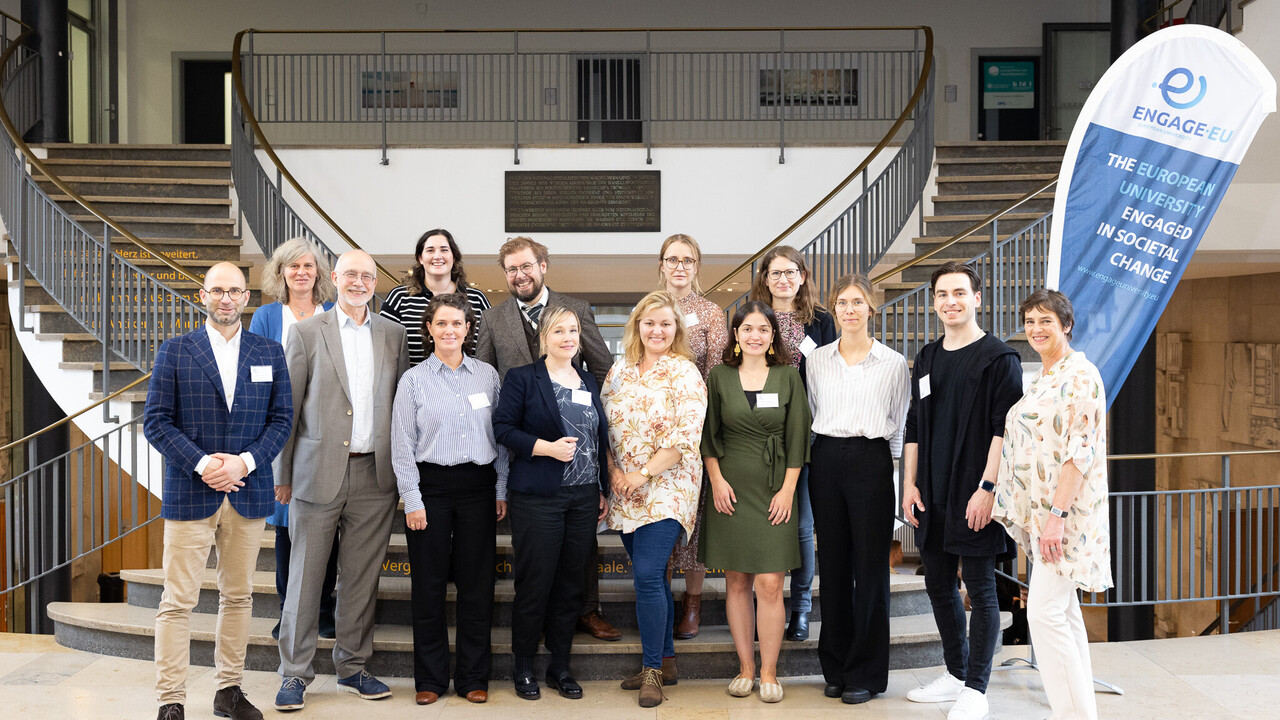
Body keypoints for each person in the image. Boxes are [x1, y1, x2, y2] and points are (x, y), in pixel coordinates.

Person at [144, 262, 293, 720]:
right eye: (217, 291)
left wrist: (244, 463)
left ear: (247, 297)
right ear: (203, 296)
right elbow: (156, 421)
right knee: (178, 600)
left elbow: (282, 420)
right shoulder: (176, 351)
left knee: (239, 596)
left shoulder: (268, 351)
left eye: (234, 291)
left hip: (248, 490)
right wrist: (206, 464)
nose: (226, 298)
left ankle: (229, 691)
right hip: (192, 491)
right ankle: (171, 699)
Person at [273, 250, 409, 712]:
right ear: (334, 278)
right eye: (350, 274)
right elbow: (287, 409)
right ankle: (294, 673)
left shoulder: (394, 333)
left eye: (367, 276)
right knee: (306, 580)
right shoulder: (308, 332)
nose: (359, 282)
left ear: (375, 284)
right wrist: (283, 474)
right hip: (317, 473)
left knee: (361, 580)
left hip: (376, 475)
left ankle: (352, 667)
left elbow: (402, 407)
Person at [476, 235, 621, 642]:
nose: (519, 275)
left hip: (577, 447)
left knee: (582, 544)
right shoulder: (494, 318)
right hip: (523, 448)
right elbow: (486, 375)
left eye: (526, 266)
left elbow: (603, 366)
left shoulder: (575, 309)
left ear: (543, 266)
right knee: (536, 551)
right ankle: (537, 618)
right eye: (512, 269)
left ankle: (587, 611)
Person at [901, 260, 1023, 720]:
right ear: (934, 303)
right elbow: (914, 426)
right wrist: (909, 484)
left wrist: (987, 488)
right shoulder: (927, 357)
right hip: (931, 490)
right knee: (936, 584)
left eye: (959, 293)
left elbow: (1003, 431)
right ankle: (954, 674)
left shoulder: (1000, 359)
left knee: (981, 588)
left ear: (977, 298)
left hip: (975, 489)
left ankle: (976, 687)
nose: (950, 302)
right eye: (941, 295)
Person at [992, 289, 1112, 720]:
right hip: (1045, 513)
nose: (1037, 329)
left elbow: (1080, 453)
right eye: (1030, 322)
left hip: (1066, 516)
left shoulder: (1080, 375)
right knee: (1064, 614)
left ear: (1066, 325)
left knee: (1043, 616)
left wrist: (1057, 518)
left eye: (1046, 321)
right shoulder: (1045, 375)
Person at [391, 293, 509, 706]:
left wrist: (500, 489)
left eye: (457, 324)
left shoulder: (487, 376)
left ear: (468, 329)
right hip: (431, 489)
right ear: (429, 329)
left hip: (479, 486)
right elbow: (401, 444)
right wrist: (412, 498)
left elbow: (501, 438)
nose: (449, 331)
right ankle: (430, 678)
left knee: (478, 586)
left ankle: (474, 677)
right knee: (428, 585)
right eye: (441, 324)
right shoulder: (414, 380)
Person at [493, 306, 611, 701]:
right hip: (538, 496)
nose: (567, 337)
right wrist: (544, 448)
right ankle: (523, 666)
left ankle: (560, 666)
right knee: (535, 583)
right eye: (558, 330)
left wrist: (600, 488)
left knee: (570, 586)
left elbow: (598, 438)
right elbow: (503, 428)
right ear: (544, 337)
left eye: (573, 330)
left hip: (582, 497)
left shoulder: (589, 381)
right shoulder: (522, 378)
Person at [804, 274, 910, 705]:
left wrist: (900, 480)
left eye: (857, 302)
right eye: (842, 302)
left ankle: (866, 673)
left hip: (872, 460)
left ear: (871, 309)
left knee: (869, 572)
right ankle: (835, 666)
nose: (849, 310)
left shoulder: (893, 362)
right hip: (826, 459)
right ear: (834, 309)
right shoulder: (817, 361)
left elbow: (899, 425)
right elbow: (812, 411)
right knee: (832, 570)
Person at [700, 301, 810, 703]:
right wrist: (716, 481)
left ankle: (769, 672)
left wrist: (787, 490)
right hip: (729, 489)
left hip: (775, 489)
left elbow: (799, 436)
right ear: (735, 334)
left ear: (772, 336)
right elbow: (708, 436)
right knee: (736, 581)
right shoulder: (718, 376)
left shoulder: (787, 376)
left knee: (769, 582)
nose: (755, 335)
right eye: (747, 328)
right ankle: (746, 668)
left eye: (763, 329)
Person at [602, 290, 708, 708]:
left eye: (665, 323)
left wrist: (641, 473)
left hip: (668, 486)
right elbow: (602, 426)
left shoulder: (685, 372)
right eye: (649, 323)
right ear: (637, 327)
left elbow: (685, 438)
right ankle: (666, 659)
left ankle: (651, 673)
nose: (657, 330)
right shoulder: (619, 370)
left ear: (676, 328)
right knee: (654, 577)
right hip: (624, 490)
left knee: (647, 575)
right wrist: (615, 474)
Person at [247, 237, 339, 641]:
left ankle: (323, 609)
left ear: (318, 272)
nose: (301, 273)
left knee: (329, 525)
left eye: (308, 266)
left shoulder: (333, 312)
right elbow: (254, 370)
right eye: (293, 266)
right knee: (287, 526)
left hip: (328, 429)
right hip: (284, 427)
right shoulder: (267, 316)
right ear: (281, 272)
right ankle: (289, 611)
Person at [748, 244, 836, 641]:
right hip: (759, 435)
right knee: (758, 521)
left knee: (802, 526)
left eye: (791, 272)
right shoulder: (755, 317)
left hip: (808, 434)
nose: (783, 279)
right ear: (765, 279)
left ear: (802, 276)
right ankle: (761, 602)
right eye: (775, 273)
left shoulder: (821, 321)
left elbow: (833, 374)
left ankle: (799, 607)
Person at [658, 233, 728, 641]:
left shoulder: (711, 313)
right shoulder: (649, 307)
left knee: (694, 522)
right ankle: (660, 599)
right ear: (662, 265)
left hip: (696, 428)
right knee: (660, 516)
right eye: (672, 259)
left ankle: (692, 603)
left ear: (696, 266)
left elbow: (717, 372)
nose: (680, 266)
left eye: (687, 260)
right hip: (653, 430)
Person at [380, 228, 491, 365]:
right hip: (413, 384)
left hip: (469, 383)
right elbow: (384, 347)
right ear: (420, 258)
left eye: (444, 250)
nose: (437, 256)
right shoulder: (399, 298)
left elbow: (490, 347)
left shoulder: (477, 299)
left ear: (454, 257)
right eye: (430, 250)